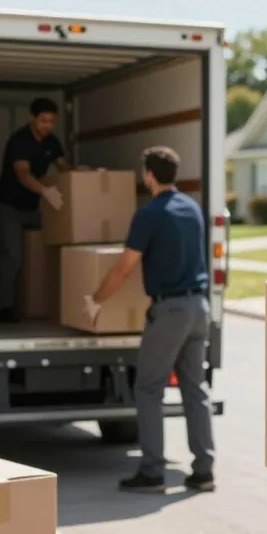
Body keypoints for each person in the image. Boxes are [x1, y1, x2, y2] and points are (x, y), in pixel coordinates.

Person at [82, 145, 217, 494]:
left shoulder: (149, 214)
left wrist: (95, 301)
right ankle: (204, 470)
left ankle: (152, 471)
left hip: (170, 311)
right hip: (199, 308)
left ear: (149, 175)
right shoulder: (193, 209)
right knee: (195, 390)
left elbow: (125, 267)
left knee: (148, 388)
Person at [0, 97, 71, 323]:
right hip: (10, 205)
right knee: (13, 256)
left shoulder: (52, 142)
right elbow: (23, 174)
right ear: (32, 118)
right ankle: (3, 307)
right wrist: (46, 191)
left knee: (57, 242)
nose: (48, 125)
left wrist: (78, 176)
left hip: (34, 207)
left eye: (52, 121)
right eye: (43, 120)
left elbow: (63, 167)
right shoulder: (20, 141)